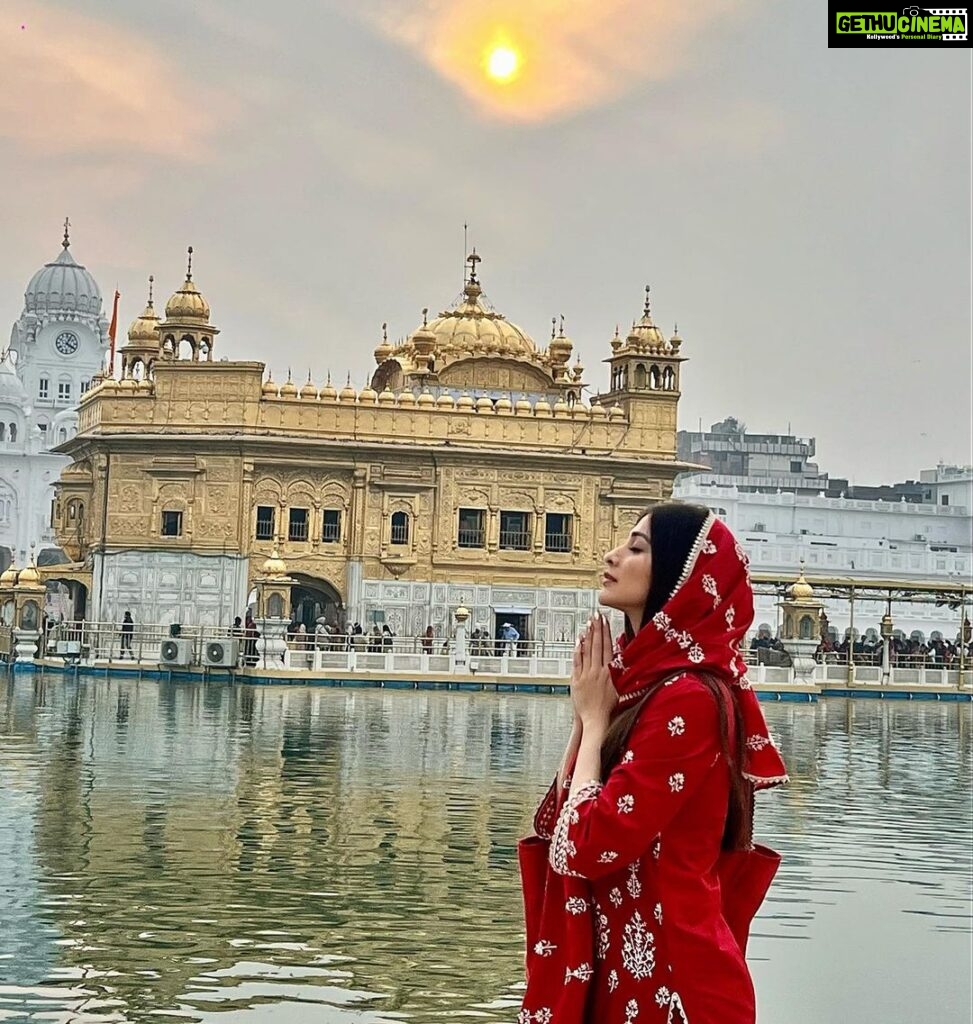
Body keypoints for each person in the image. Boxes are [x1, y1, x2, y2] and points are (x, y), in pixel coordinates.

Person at [518, 502, 788, 1024]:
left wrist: (596, 724)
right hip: (622, 974)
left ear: (681, 579)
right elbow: (553, 826)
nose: (613, 554)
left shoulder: (689, 697)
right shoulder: (641, 685)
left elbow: (589, 845)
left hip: (673, 983)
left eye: (637, 548)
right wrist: (586, 718)